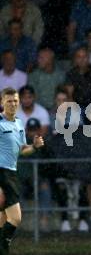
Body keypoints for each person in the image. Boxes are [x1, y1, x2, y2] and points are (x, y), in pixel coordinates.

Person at [0, 87, 44, 254]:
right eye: (9, 101)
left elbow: (21, 150)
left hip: (11, 173)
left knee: (3, 220)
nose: (13, 104)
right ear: (2, 102)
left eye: (15, 101)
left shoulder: (18, 122)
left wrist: (34, 146)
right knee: (16, 218)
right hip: (2, 174)